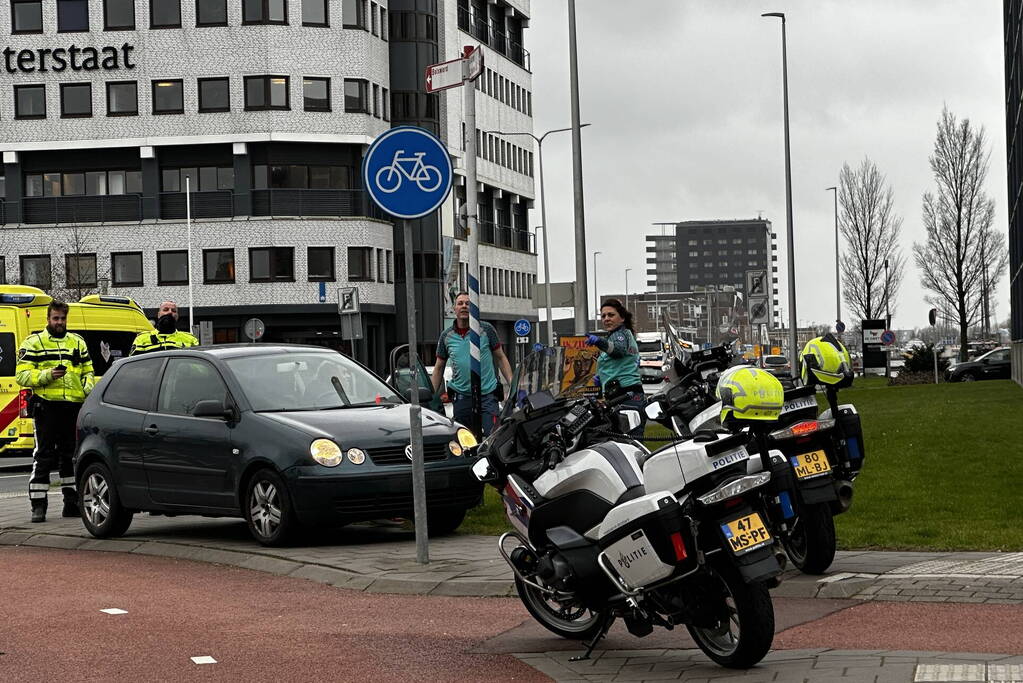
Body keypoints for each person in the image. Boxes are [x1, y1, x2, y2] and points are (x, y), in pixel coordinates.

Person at [16, 301, 96, 523]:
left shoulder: (77, 342)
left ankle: (71, 503)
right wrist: (47, 375)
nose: (59, 322)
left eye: (62, 318)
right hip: (46, 406)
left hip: (73, 406)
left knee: (70, 456)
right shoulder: (34, 343)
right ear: (48, 319)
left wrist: (87, 386)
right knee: (43, 455)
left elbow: (88, 370)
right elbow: (21, 375)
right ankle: (38, 506)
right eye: (55, 318)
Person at [432, 292, 513, 437]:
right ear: (454, 308)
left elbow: (501, 358)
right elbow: (438, 368)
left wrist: (513, 386)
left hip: (487, 395)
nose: (464, 306)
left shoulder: (487, 330)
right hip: (462, 397)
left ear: (474, 308)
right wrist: (430, 397)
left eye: (468, 303)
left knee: (493, 437)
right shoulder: (446, 336)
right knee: (466, 440)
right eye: (460, 303)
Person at [585, 298, 646, 436]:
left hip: (626, 395)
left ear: (622, 318)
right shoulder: (619, 335)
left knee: (629, 441)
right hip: (620, 395)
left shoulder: (620, 335)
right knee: (623, 439)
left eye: (611, 315)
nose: (606, 319)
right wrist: (601, 379)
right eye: (603, 316)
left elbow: (618, 350)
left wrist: (599, 341)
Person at [130, 300, 199, 355]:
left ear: (177, 316)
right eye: (166, 309)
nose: (170, 312)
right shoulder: (142, 339)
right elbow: (135, 366)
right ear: (158, 314)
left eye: (173, 311)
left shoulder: (191, 339)